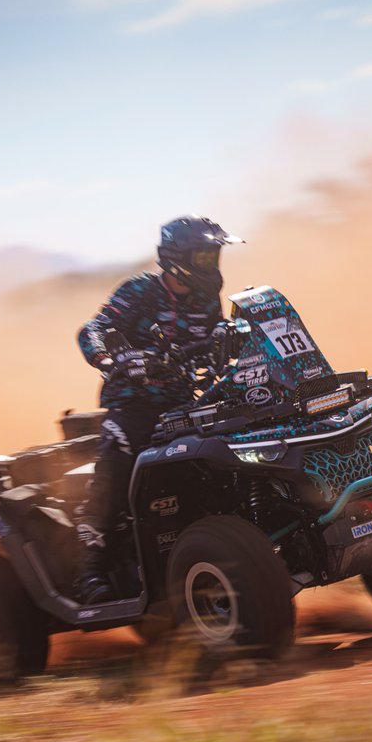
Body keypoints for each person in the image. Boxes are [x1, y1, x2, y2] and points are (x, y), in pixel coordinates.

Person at [75, 214, 243, 603]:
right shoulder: (140, 290)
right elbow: (92, 329)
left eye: (214, 255)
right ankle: (89, 571)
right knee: (119, 456)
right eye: (203, 256)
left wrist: (230, 341)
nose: (211, 263)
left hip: (186, 403)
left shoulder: (205, 299)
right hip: (132, 406)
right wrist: (110, 359)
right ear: (177, 257)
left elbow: (212, 345)